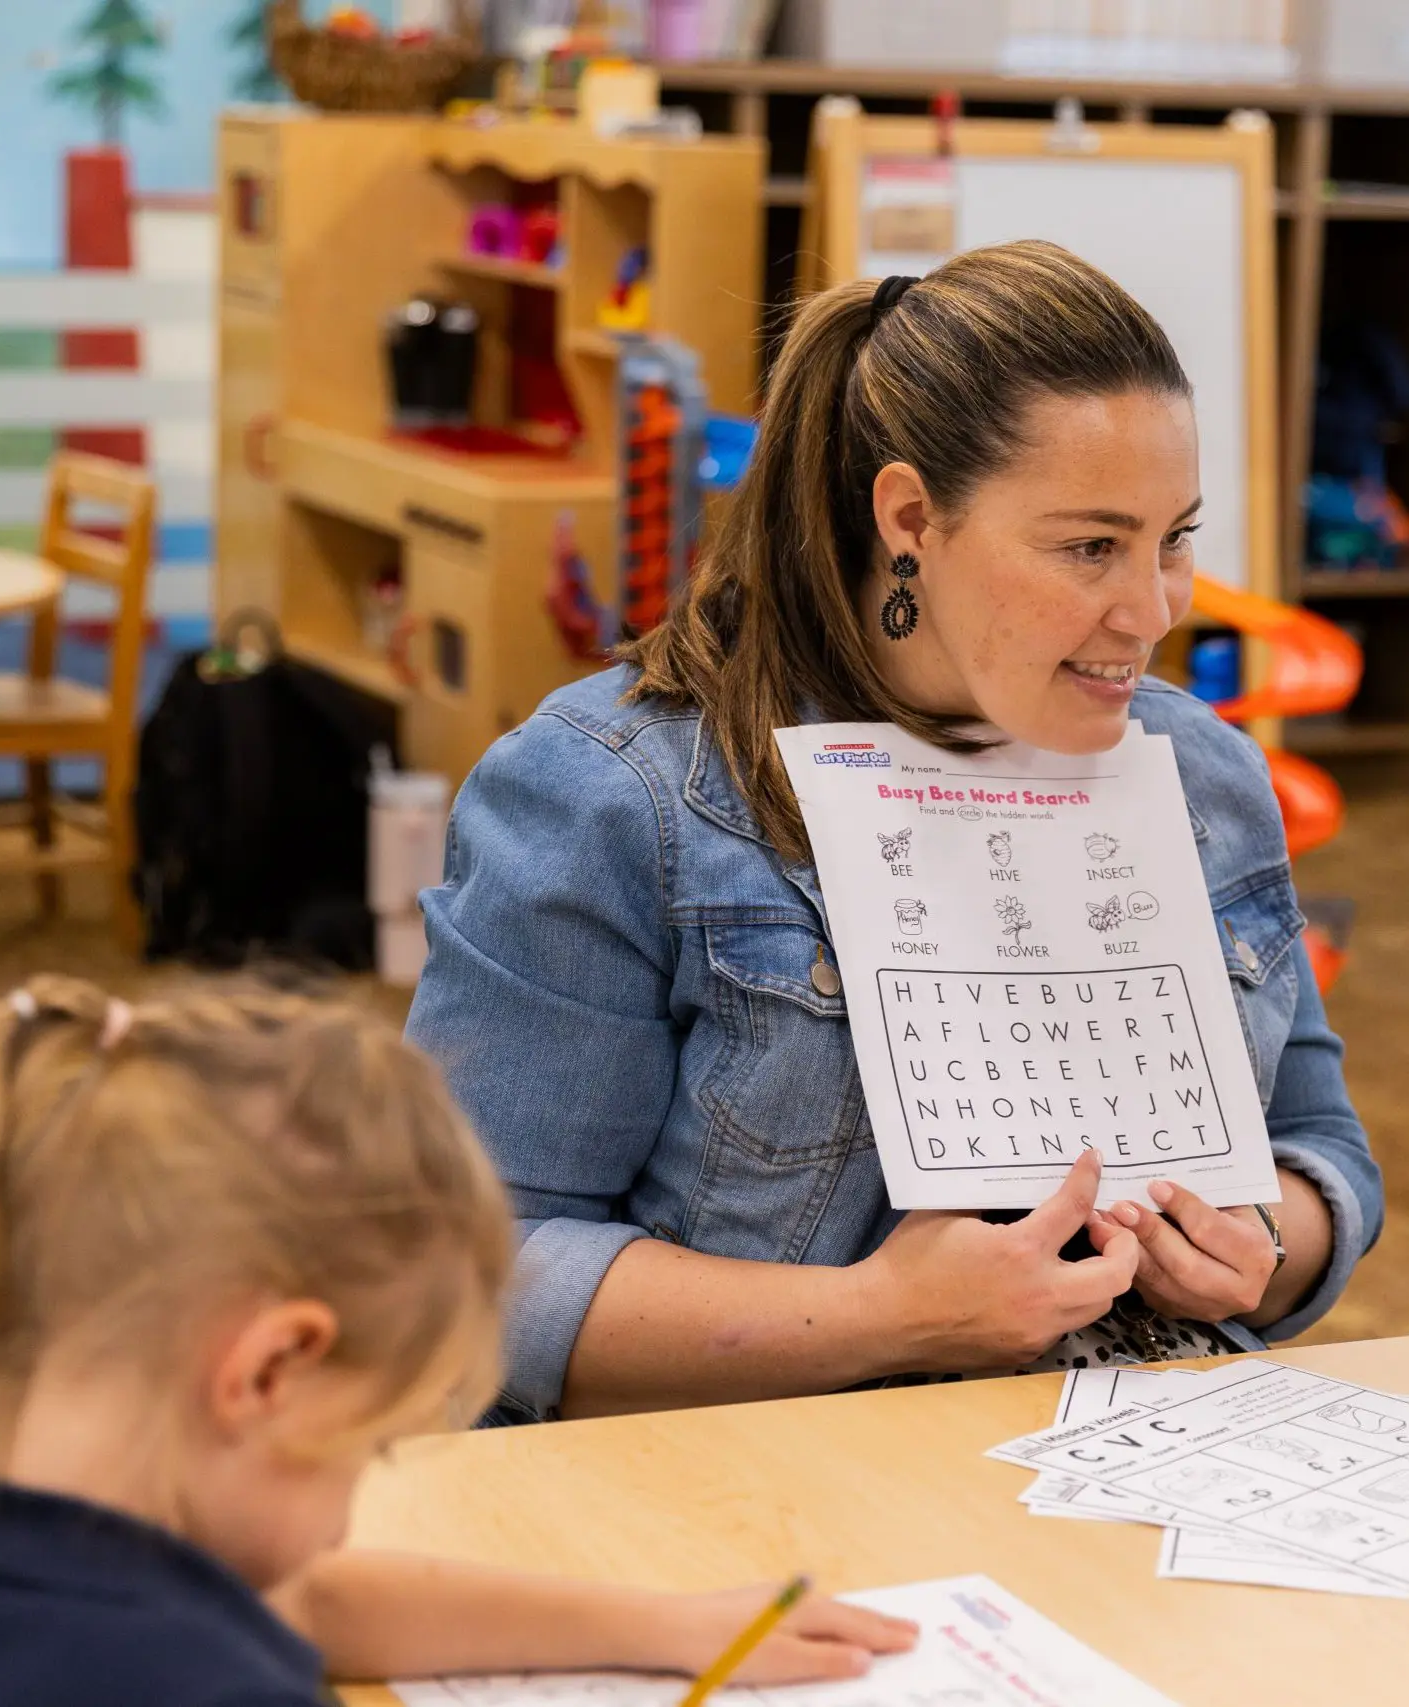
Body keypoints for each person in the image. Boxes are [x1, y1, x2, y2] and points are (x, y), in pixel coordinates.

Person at [407, 240, 1384, 1425]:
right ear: (911, 517)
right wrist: (889, 1315)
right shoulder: (611, 796)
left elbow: (1318, 1144)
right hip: (775, 1481)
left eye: (1174, 538)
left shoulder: (1206, 776)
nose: (1154, 610)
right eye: (1090, 547)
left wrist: (1262, 1240)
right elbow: (466, 1276)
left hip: (1152, 1451)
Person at [0, 975, 914, 1707]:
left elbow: (313, 1600)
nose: (345, 1508)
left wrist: (673, 1628)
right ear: (270, 1369)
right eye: (366, 1449)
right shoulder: (183, 1680)